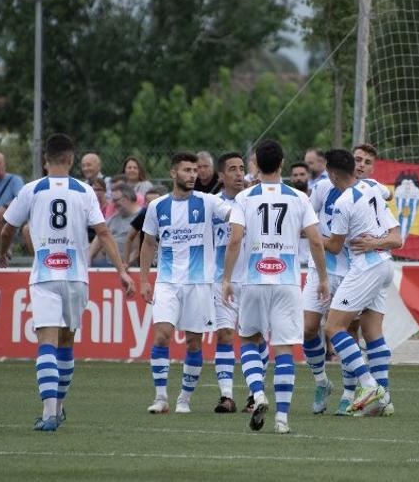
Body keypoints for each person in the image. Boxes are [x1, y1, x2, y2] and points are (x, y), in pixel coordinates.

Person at [0, 133, 134, 431]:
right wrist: (121, 270)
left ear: (45, 160)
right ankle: (58, 408)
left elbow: (8, 228)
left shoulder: (32, 190)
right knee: (67, 342)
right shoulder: (84, 191)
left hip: (45, 275)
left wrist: (2, 252)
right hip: (75, 277)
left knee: (46, 340)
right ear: (71, 160)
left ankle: (48, 415)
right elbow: (104, 232)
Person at [221, 139, 329, 434]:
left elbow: (234, 240)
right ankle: (282, 419)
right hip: (287, 283)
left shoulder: (244, 198)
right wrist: (322, 278)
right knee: (284, 350)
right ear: (282, 164)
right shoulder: (298, 197)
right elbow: (317, 241)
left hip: (254, 281)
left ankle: (257, 393)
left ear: (255, 164)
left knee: (249, 341)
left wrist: (227, 278)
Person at [303, 143, 393, 416]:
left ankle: (352, 392)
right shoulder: (322, 189)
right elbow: (306, 216)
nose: (362, 165)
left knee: (345, 331)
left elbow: (387, 197)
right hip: (324, 269)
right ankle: (323, 382)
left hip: (355, 270)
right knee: (309, 328)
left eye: (367, 161)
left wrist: (313, 237)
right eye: (357, 160)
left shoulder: (364, 192)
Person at [140, 152, 231, 414]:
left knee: (193, 342)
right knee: (162, 336)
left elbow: (232, 215)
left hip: (200, 283)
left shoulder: (209, 202)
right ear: (173, 174)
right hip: (167, 282)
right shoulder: (158, 207)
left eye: (195, 170)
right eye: (187, 170)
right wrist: (144, 279)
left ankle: (184, 399)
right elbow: (148, 243)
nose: (193, 175)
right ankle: (160, 397)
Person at [210, 152, 263, 414]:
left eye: (242, 168)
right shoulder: (212, 204)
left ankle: (255, 394)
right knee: (225, 335)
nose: (239, 173)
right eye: (232, 169)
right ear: (221, 175)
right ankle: (226, 396)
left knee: (256, 337)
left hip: (254, 278)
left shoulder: (254, 202)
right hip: (222, 280)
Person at [89, 183, 140, 266]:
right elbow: (100, 237)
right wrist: (88, 259)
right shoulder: (114, 218)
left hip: (131, 267)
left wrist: (125, 264)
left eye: (115, 200)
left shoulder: (141, 218)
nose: (113, 204)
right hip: (110, 265)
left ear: (126, 199)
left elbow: (139, 249)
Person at [123, 186, 166, 267]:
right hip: (145, 264)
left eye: (155, 201)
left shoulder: (169, 217)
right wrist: (126, 261)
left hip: (165, 264)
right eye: (148, 202)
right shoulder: (143, 216)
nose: (151, 204)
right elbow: (129, 238)